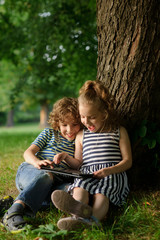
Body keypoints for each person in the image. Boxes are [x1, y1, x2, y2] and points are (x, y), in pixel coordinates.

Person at [51, 80, 132, 230]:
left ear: (105, 113)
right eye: (82, 117)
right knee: (79, 188)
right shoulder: (81, 135)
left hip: (111, 175)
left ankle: (92, 220)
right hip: (87, 173)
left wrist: (109, 170)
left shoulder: (118, 131)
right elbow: (79, 163)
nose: (86, 122)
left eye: (92, 117)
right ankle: (77, 215)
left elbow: (128, 161)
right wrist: (66, 157)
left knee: (102, 194)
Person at [1, 97, 81, 233]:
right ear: (57, 123)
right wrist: (37, 162)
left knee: (70, 192)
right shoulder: (49, 133)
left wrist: (66, 157)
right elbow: (28, 153)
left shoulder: (79, 140)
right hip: (31, 172)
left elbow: (78, 165)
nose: (69, 130)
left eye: (74, 124)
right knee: (46, 175)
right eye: (64, 125)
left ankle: (11, 202)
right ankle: (13, 212)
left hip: (55, 181)